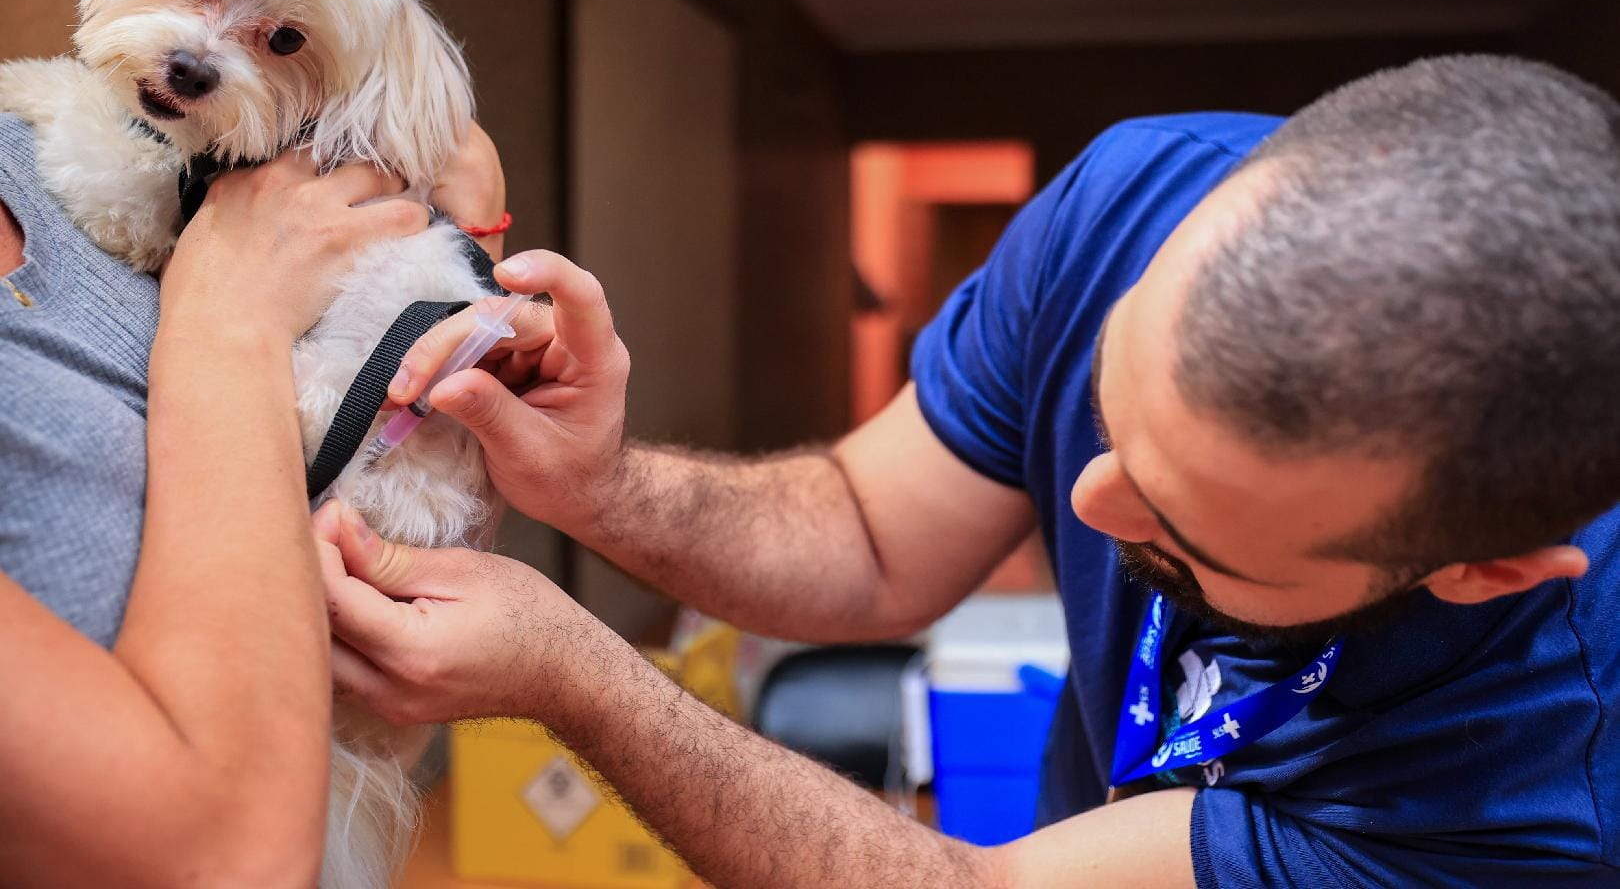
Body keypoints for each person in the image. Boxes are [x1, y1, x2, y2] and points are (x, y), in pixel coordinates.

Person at [320, 54, 1619, 887]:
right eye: (1111, 409)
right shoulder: (1136, 194)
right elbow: (876, 535)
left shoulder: (1531, 789)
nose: (1089, 512)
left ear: (1480, 567)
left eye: (1187, 535)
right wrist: (597, 487)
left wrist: (584, 679)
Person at [0, 110, 506, 885]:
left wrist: (468, 249)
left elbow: (402, 649)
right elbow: (231, 862)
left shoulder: (55, 138)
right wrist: (229, 320)